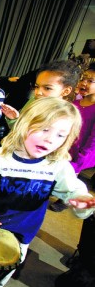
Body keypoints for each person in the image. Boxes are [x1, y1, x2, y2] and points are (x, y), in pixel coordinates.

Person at [0, 97, 95, 287]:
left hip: (24, 231)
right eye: (44, 129)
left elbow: (75, 190)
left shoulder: (58, 166)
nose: (50, 139)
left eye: (61, 135)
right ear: (24, 124)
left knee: (11, 264)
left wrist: (83, 202)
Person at [50, 63, 95, 212]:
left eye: (90, 81)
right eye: (84, 78)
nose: (84, 83)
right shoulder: (75, 103)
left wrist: (82, 157)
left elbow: (93, 140)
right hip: (67, 145)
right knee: (57, 170)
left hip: (82, 151)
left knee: (70, 176)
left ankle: (65, 199)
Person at [2, 60, 80, 130]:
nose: (38, 92)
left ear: (65, 91)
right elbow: (18, 130)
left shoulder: (63, 115)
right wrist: (14, 119)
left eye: (47, 88)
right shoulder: (34, 100)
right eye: (37, 86)